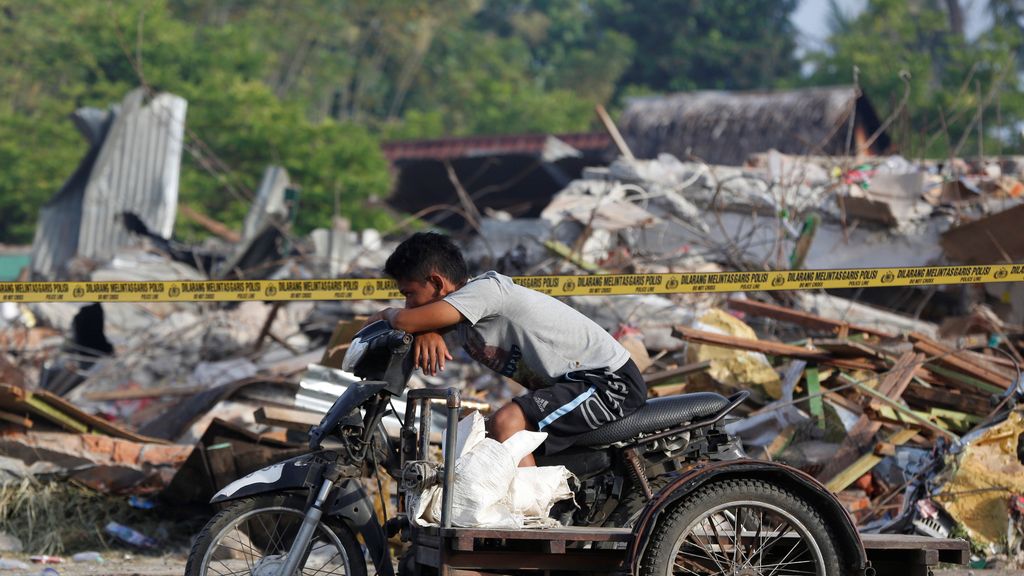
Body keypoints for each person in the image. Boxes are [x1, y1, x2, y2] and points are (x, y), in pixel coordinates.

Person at [367, 232, 647, 466]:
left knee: (506, 423)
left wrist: (394, 315)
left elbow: (403, 321)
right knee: (483, 437)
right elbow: (407, 323)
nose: (406, 305)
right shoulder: (462, 316)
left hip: (608, 382)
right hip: (575, 385)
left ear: (438, 282)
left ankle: (533, 513)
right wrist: (426, 329)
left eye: (409, 294)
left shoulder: (485, 291)